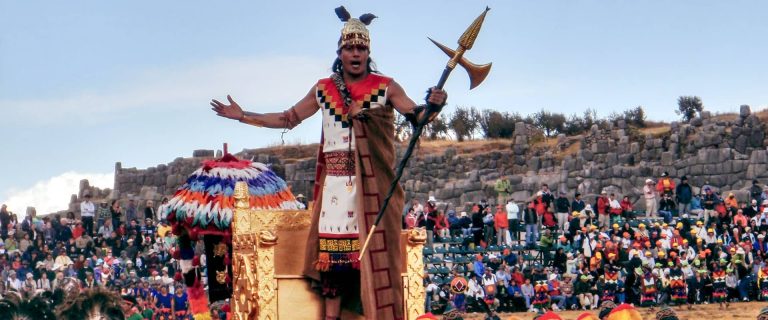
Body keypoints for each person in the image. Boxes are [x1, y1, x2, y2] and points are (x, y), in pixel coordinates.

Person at [210, 7, 446, 319]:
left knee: (373, 263)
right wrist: (243, 116)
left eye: (361, 47)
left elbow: (416, 117)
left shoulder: (386, 86)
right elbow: (288, 118)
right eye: (350, 47)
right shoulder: (324, 89)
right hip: (335, 188)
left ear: (368, 52)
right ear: (340, 52)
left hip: (371, 185)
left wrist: (434, 105)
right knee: (333, 265)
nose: (356, 53)